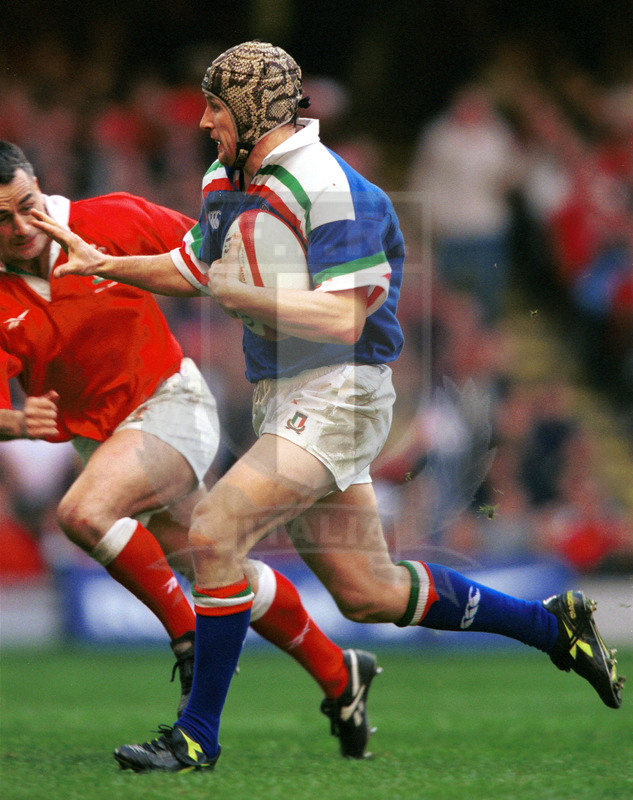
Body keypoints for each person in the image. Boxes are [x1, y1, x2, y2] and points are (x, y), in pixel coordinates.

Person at [32, 42, 625, 774]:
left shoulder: (328, 186)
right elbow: (192, 266)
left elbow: (345, 317)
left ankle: (195, 737)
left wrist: (242, 295)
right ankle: (553, 626)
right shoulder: (227, 176)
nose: (204, 121)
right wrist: (105, 262)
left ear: (251, 108)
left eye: (216, 105)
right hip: (284, 394)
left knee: (215, 532)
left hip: (341, 391)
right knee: (366, 591)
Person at [0, 139, 381, 759]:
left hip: (172, 405)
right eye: (1, 219)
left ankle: (188, 638)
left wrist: (293, 300)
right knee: (216, 571)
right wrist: (15, 423)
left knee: (82, 515)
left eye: (27, 205)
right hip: (105, 444)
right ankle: (341, 675)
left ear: (42, 186)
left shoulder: (110, 218)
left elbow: (212, 255)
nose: (20, 227)